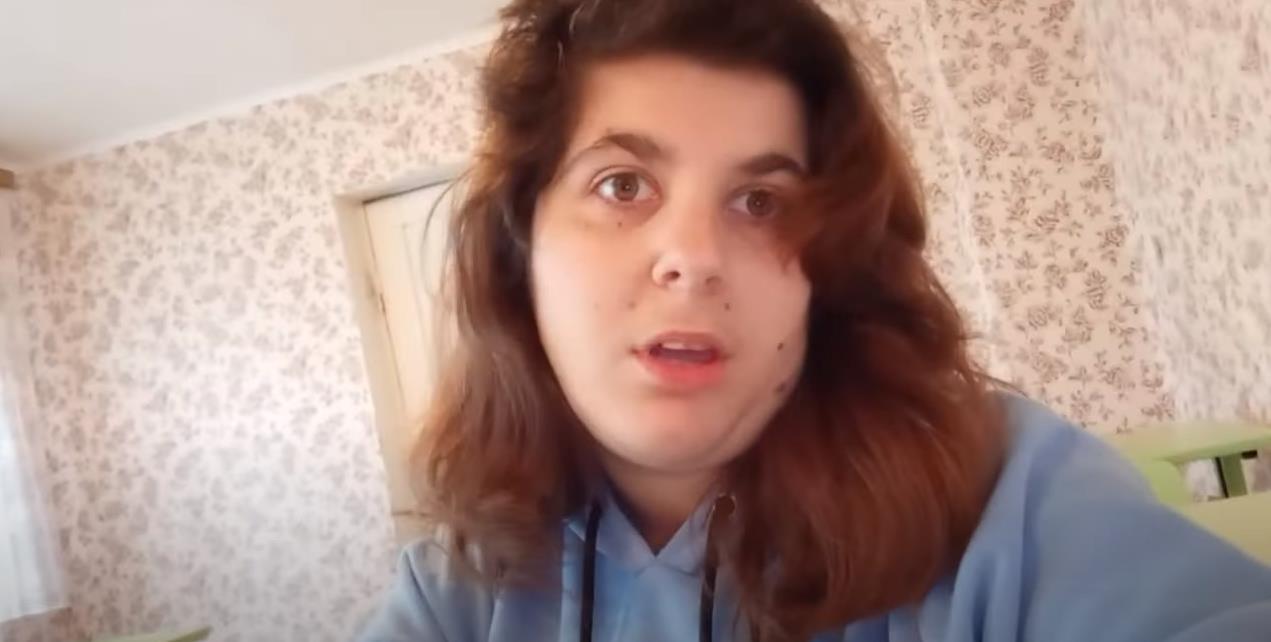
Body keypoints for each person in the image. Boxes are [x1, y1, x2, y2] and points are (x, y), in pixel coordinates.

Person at [355, 0, 1271, 640]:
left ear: (824, 276)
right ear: (520, 252)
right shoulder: (455, 596)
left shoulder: (1007, 497)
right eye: (622, 185)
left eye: (759, 201)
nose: (692, 255)